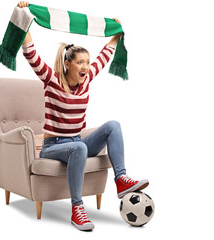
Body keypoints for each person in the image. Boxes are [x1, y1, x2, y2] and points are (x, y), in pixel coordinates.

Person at [17, 1, 149, 231]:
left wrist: (116, 33)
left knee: (113, 125)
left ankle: (121, 180)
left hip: (78, 142)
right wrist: (23, 14)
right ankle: (77, 209)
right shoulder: (52, 79)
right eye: (80, 62)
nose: (86, 67)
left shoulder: (86, 79)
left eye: (87, 63)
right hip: (53, 146)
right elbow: (30, 52)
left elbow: (105, 56)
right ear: (68, 64)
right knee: (79, 148)